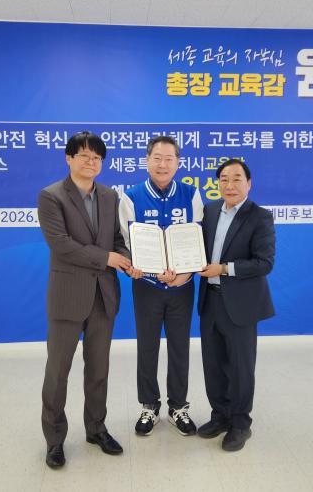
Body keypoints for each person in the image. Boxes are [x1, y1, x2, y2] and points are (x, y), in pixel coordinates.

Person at [38, 131, 132, 469]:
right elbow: (61, 244)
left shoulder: (110, 196)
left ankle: (96, 429)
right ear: (69, 158)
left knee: (98, 370)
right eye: (84, 156)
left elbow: (118, 238)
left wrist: (126, 259)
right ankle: (54, 439)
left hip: (103, 296)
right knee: (58, 371)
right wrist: (107, 258)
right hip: (68, 296)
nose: (91, 162)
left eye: (97, 157)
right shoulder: (51, 196)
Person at [119, 135, 204, 436]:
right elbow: (126, 243)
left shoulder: (191, 195)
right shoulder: (131, 197)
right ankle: (149, 406)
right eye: (157, 158)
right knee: (147, 346)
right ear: (147, 160)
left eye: (169, 158)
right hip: (147, 287)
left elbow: (198, 239)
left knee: (180, 347)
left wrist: (184, 274)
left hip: (182, 287)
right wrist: (137, 267)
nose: (163, 164)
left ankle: (178, 406)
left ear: (178, 163)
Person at [196, 158, 276, 452]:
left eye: (236, 179)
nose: (229, 185)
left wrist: (224, 269)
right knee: (213, 364)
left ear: (249, 183)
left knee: (241, 367)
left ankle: (241, 423)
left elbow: (264, 263)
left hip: (241, 305)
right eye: (224, 179)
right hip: (210, 300)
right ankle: (220, 416)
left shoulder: (260, 217)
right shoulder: (210, 211)